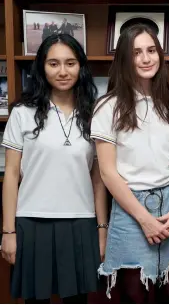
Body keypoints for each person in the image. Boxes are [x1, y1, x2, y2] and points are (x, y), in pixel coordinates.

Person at [0, 33, 108, 303]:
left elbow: (98, 179)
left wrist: (102, 229)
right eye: (54, 63)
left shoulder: (94, 114)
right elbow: (11, 175)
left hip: (81, 223)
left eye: (70, 63)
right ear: (42, 68)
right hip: (32, 223)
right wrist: (8, 231)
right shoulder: (22, 113)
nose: (63, 71)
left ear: (81, 67)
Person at [91, 23, 169, 303]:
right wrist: (144, 220)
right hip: (130, 211)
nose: (146, 59)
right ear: (125, 58)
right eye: (137, 52)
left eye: (151, 50)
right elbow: (108, 173)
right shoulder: (107, 107)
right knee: (137, 297)